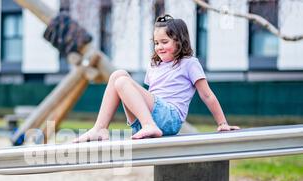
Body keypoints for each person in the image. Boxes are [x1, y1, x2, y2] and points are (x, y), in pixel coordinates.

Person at [74, 14, 239, 143]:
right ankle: (100, 128)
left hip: (170, 119)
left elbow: (207, 95)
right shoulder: (154, 65)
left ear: (179, 41)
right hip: (143, 120)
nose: (159, 47)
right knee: (118, 75)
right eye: (156, 43)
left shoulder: (189, 63)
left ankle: (149, 126)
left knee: (123, 81)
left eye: (164, 42)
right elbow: (149, 95)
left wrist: (222, 123)